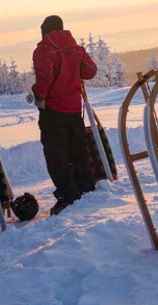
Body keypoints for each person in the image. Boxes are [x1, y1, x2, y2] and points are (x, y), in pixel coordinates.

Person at [30, 14, 98, 216]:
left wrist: (39, 95)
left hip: (53, 110)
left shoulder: (44, 49)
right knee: (77, 149)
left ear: (45, 30)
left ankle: (68, 194)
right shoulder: (76, 48)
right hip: (74, 108)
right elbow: (91, 71)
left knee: (56, 155)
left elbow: (45, 77)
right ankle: (86, 186)